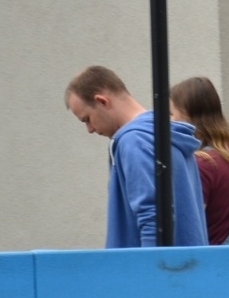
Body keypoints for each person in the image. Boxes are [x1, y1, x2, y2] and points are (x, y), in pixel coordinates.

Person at [65, 65, 208, 249]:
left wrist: (149, 271)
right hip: (184, 267)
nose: (90, 129)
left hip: (154, 272)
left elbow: (154, 218)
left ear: (102, 101)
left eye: (86, 119)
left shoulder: (134, 141)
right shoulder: (164, 134)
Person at [169, 76, 229, 245]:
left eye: (171, 114)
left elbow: (189, 232)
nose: (169, 122)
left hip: (216, 266)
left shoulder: (202, 163)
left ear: (189, 116)